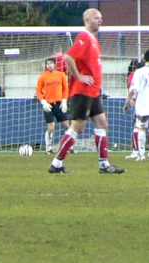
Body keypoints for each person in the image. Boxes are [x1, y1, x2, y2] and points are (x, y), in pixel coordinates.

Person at [48, 8, 125, 174]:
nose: (100, 20)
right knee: (78, 127)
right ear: (87, 20)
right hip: (83, 91)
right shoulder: (84, 37)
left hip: (94, 91)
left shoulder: (94, 40)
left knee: (102, 123)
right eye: (97, 18)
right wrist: (80, 76)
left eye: (101, 17)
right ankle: (56, 163)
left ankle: (104, 165)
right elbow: (68, 57)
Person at [36, 58, 70, 154]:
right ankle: (48, 148)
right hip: (48, 105)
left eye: (51, 63)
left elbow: (65, 89)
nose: (49, 65)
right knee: (51, 127)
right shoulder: (42, 77)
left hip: (59, 104)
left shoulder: (61, 75)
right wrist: (43, 102)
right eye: (47, 64)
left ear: (55, 65)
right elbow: (38, 91)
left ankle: (69, 146)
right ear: (46, 66)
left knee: (67, 125)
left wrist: (64, 101)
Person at [125, 59, 145, 160]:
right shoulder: (147, 74)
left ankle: (137, 152)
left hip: (140, 104)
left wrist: (129, 102)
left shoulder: (134, 75)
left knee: (137, 128)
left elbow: (131, 89)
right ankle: (145, 152)